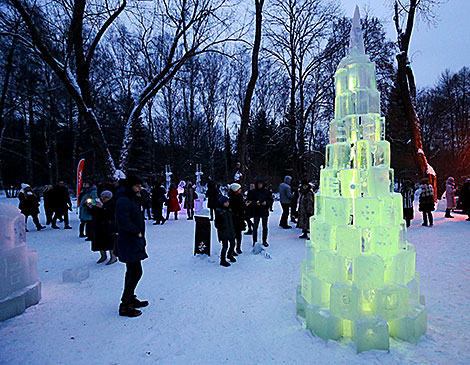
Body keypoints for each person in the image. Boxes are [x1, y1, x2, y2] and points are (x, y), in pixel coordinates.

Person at [115, 176, 148, 317]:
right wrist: (136, 231)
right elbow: (123, 221)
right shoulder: (124, 200)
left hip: (133, 241)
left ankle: (130, 298)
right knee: (135, 273)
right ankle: (125, 304)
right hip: (129, 241)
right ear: (130, 187)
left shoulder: (130, 199)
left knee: (132, 272)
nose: (140, 188)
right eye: (137, 186)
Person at [89, 190, 117, 265]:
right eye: (102, 196)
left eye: (106, 197)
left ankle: (113, 257)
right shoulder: (98, 203)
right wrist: (91, 207)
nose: (103, 198)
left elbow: (112, 214)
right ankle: (103, 256)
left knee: (110, 242)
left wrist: (103, 207)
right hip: (98, 225)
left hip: (108, 225)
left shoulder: (113, 203)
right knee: (99, 241)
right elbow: (93, 213)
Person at [247, 178, 272, 247]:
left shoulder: (266, 192)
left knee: (265, 227)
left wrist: (266, 203)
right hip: (256, 211)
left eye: (261, 184)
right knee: (255, 226)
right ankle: (254, 240)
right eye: (258, 184)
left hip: (264, 210)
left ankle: (264, 240)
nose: (259, 185)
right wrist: (255, 202)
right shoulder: (253, 192)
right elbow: (249, 200)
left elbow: (270, 200)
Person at [214, 196, 237, 267]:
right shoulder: (219, 212)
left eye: (228, 202)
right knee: (225, 246)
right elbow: (217, 223)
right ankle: (222, 260)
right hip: (224, 232)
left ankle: (230, 255)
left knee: (233, 244)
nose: (228, 203)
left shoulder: (229, 210)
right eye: (226, 202)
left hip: (231, 230)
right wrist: (221, 227)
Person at [228, 183, 245, 255]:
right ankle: (232, 249)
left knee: (239, 234)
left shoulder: (240, 197)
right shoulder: (232, 198)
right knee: (233, 234)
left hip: (240, 218)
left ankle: (238, 247)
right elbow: (236, 207)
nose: (240, 190)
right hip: (234, 218)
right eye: (239, 189)